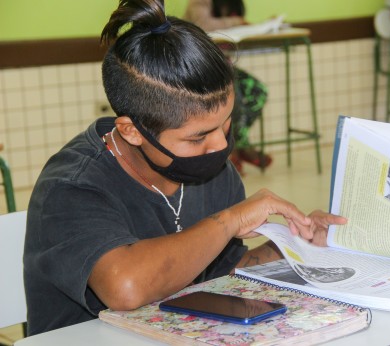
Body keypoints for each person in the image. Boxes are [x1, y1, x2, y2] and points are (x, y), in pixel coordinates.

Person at [23, 0, 346, 335]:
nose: (220, 146)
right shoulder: (71, 186)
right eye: (198, 138)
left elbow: (218, 276)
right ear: (131, 131)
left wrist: (293, 246)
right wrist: (230, 220)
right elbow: (127, 288)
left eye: (225, 124)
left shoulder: (211, 172)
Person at [185, 0, 273, 174]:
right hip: (200, 68)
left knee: (258, 91)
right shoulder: (199, 3)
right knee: (235, 98)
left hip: (224, 67)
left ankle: (239, 145)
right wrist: (237, 22)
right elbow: (203, 24)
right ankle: (234, 150)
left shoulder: (234, 4)